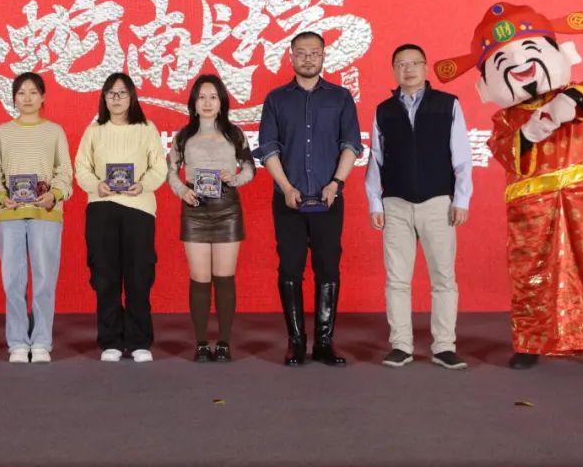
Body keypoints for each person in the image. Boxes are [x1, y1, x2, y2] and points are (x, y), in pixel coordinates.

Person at [434, 2, 583, 372]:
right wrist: (528, 132)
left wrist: (566, 102)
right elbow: (504, 152)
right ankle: (529, 343)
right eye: (502, 61)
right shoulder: (504, 120)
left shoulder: (576, 90)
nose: (519, 64)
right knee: (530, 273)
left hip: (580, 196)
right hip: (530, 204)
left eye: (530, 50)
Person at [254, 31, 362, 367]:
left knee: (328, 267)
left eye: (314, 53)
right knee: (290, 267)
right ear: (291, 57)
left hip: (329, 199)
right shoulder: (276, 99)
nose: (308, 59)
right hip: (289, 199)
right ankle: (296, 342)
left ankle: (325, 342)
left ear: (324, 56)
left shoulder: (340, 97)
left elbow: (351, 145)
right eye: (301, 53)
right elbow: (268, 148)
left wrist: (336, 183)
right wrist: (286, 187)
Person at [364, 44, 472, 370]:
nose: (408, 69)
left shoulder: (447, 104)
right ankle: (401, 345)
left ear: (426, 68)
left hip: (438, 202)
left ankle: (444, 346)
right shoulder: (384, 110)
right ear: (393, 70)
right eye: (401, 64)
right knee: (397, 279)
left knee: (444, 278)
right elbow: (375, 159)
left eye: (414, 63)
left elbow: (462, 155)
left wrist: (461, 199)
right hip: (395, 203)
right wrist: (375, 202)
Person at [74, 72, 167, 363]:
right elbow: (81, 167)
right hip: (102, 208)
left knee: (139, 276)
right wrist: (96, 186)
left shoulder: (146, 128)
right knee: (105, 276)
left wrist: (143, 185)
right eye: (111, 93)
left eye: (122, 93)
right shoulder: (94, 130)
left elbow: (159, 168)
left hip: (139, 209)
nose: (116, 98)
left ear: (132, 97)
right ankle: (111, 340)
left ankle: (139, 340)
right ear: (103, 98)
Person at [0, 72, 73, 364]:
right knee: (13, 280)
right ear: (13, 98)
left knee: (45, 279)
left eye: (33, 92)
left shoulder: (55, 131)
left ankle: (42, 341)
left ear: (43, 97)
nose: (27, 98)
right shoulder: (2, 132)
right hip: (9, 212)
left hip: (46, 212)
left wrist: (54, 195)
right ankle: (18, 342)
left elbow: (65, 171)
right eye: (21, 93)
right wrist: (0, 196)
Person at [167, 74, 255, 362]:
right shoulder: (183, 136)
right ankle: (202, 342)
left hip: (227, 208)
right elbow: (171, 171)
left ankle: (225, 342)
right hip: (195, 208)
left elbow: (249, 168)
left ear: (222, 102)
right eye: (202, 97)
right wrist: (182, 191)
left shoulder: (234, 134)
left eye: (213, 97)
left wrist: (235, 178)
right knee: (200, 278)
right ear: (193, 102)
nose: (207, 102)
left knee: (224, 277)